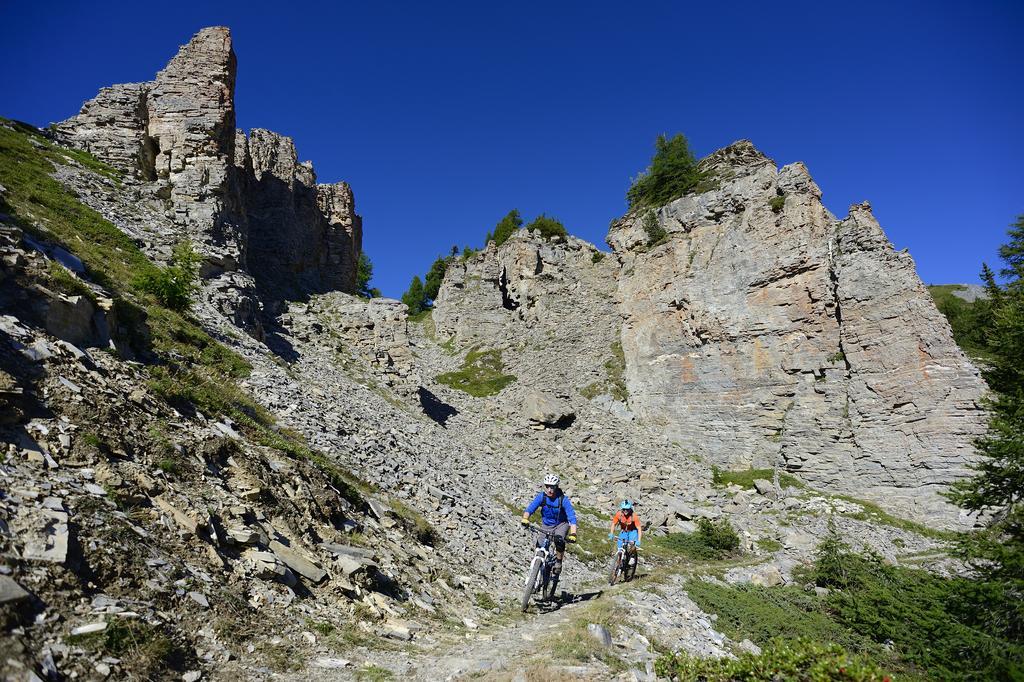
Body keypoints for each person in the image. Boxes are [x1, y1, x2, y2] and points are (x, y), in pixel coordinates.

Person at [521, 473, 578, 588]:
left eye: (552, 487)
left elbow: (571, 517)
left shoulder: (563, 500)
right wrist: (525, 518)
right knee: (539, 546)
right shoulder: (542, 497)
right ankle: (535, 572)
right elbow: (530, 508)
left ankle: (558, 561)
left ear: (556, 487)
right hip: (546, 525)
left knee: (559, 540)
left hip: (561, 524)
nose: (549, 489)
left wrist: (573, 533)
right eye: (547, 486)